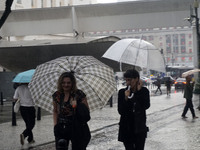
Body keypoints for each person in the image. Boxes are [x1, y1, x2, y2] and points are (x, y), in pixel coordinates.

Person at [53, 72, 91, 150]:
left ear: (72, 83)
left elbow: (86, 113)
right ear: (60, 83)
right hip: (61, 127)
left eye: (68, 83)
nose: (66, 85)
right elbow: (55, 111)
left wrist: (77, 106)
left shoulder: (79, 94)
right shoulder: (57, 95)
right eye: (63, 83)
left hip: (77, 127)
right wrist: (55, 125)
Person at [118, 69, 150, 150]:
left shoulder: (144, 91)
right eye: (126, 80)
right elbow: (121, 111)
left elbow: (145, 106)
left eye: (130, 80)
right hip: (126, 128)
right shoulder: (122, 92)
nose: (128, 82)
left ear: (136, 79)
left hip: (139, 127)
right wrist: (125, 98)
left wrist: (138, 92)